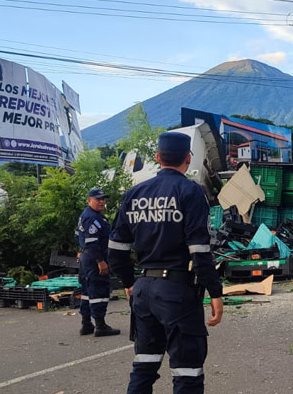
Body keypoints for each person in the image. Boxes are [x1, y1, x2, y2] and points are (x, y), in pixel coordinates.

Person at [107, 132, 224, 394]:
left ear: (158, 158)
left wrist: (128, 282)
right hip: (176, 292)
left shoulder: (134, 194)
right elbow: (200, 250)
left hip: (143, 290)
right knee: (187, 371)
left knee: (144, 365)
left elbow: (115, 251)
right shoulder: (190, 191)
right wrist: (215, 292)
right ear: (188, 158)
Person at [76, 187, 121, 337]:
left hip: (87, 258)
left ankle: (86, 324)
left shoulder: (88, 215)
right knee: (99, 291)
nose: (101, 201)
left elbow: (78, 235)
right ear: (89, 200)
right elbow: (92, 242)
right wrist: (101, 261)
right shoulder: (93, 218)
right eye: (98, 199)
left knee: (87, 292)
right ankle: (100, 325)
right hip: (94, 259)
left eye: (103, 199)